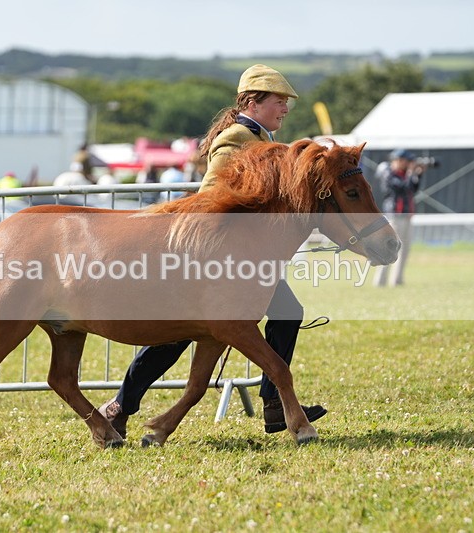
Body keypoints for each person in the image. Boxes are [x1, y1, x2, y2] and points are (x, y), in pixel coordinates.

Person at [99, 64, 327, 439]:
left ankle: (274, 403)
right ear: (253, 102)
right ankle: (120, 406)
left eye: (287, 103)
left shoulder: (261, 136)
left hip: (246, 259)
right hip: (212, 256)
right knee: (173, 336)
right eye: (279, 102)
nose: (286, 109)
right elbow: (214, 199)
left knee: (287, 312)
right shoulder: (236, 139)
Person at [372, 149, 424, 287]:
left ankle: (397, 280)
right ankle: (380, 281)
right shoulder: (389, 173)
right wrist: (411, 173)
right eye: (407, 161)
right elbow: (402, 188)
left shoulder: (404, 174)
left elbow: (413, 189)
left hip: (406, 216)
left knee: (405, 249)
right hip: (395, 216)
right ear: (399, 160)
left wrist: (417, 175)